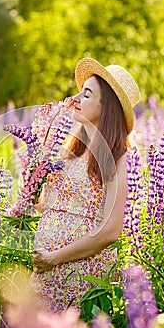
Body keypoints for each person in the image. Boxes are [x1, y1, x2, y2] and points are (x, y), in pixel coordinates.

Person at [32, 57, 141, 313]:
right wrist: (32, 177)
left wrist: (54, 257)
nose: (76, 98)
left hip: (82, 275)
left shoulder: (119, 158)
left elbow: (111, 231)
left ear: (106, 108)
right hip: (48, 274)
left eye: (87, 94)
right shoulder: (72, 151)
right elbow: (47, 206)